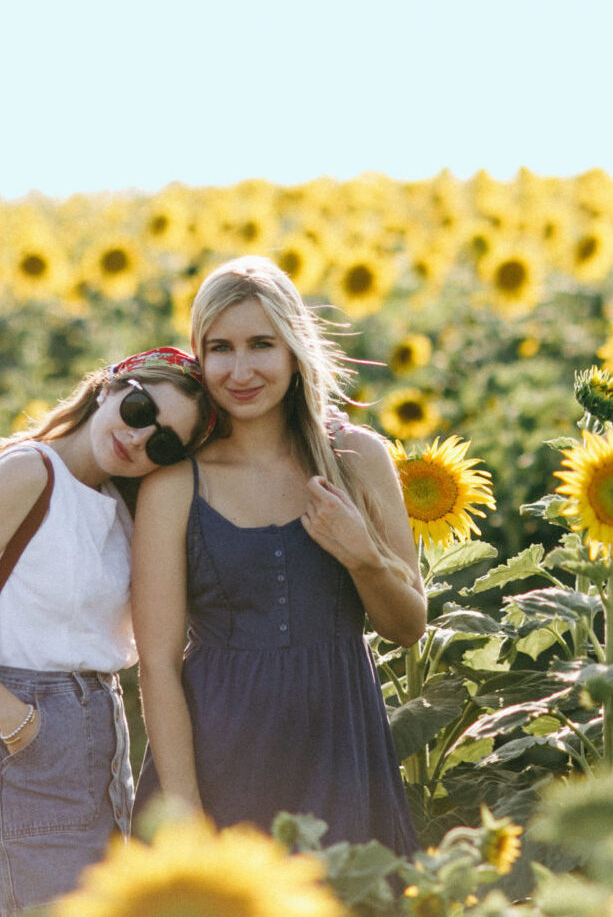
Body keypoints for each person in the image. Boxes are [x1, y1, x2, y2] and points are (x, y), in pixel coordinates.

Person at [132, 255, 427, 855]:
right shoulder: (174, 485)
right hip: (219, 751)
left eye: (261, 344)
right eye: (220, 348)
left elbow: (407, 627)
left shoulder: (357, 459)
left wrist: (363, 557)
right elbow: (158, 662)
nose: (240, 370)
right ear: (199, 355)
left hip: (342, 748)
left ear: (294, 349)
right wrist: (184, 808)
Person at [0, 347, 214, 917]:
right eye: (140, 409)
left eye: (164, 443)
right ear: (113, 383)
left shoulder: (119, 504)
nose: (140, 438)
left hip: (96, 732)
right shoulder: (28, 471)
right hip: (27, 728)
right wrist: (15, 721)